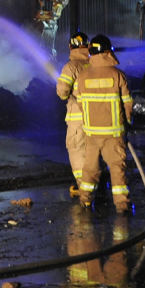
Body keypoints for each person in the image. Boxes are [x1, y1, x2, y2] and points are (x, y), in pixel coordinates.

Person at [73, 34, 134, 210]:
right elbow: (127, 105)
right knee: (117, 170)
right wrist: (128, 122)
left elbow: (81, 103)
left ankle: (85, 200)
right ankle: (122, 205)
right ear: (108, 51)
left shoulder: (83, 76)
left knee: (90, 169)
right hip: (114, 134)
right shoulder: (118, 75)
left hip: (91, 133)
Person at [56, 32, 91, 196]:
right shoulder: (95, 64)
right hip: (98, 118)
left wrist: (64, 95)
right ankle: (96, 185)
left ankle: (84, 190)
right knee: (94, 152)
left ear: (70, 47)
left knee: (77, 151)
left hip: (78, 120)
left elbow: (62, 91)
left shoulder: (71, 67)